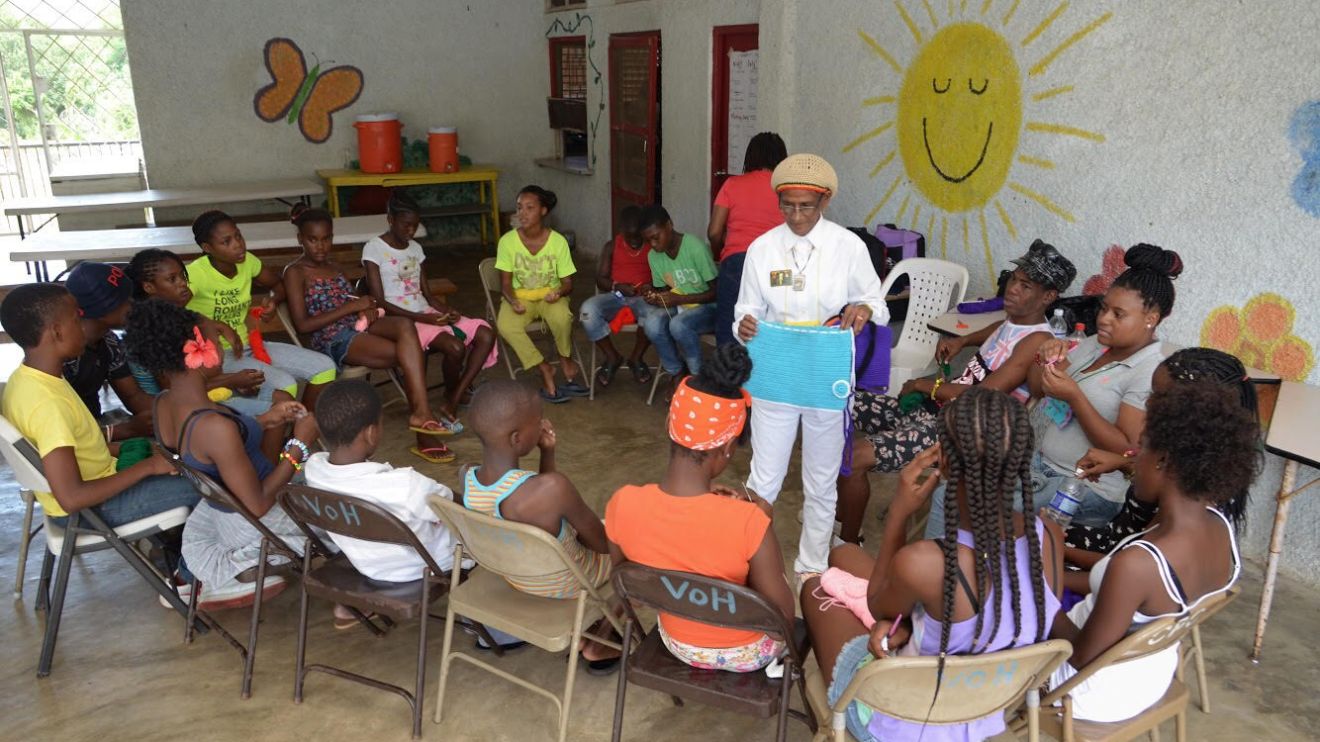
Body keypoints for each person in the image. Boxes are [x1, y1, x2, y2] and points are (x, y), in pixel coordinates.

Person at [802, 387, 1064, 741]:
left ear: (944, 460)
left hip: (901, 718)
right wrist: (908, 623)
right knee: (844, 554)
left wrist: (898, 513)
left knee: (814, 586)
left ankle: (821, 709)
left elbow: (878, 604)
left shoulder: (926, 562)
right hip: (986, 705)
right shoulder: (1046, 536)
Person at [836, 240, 1076, 544]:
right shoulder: (1014, 320)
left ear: (1048, 296)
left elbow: (980, 395)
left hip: (959, 430)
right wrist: (963, 341)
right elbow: (997, 330)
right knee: (841, 402)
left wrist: (925, 384)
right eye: (1014, 278)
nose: (1013, 288)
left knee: (856, 457)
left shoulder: (1036, 340)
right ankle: (841, 509)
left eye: (1025, 285)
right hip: (938, 410)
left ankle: (847, 542)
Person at [1048, 382, 1254, 722]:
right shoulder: (1219, 528)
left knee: (991, 603)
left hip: (1085, 692)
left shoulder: (1140, 562)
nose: (1132, 460)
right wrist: (1062, 560)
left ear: (1161, 461)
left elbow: (1080, 655)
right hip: (1148, 680)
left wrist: (1042, 584)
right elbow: (1122, 589)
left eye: (1139, 450)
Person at [734, 153, 886, 578]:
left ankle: (812, 565)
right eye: (788, 205)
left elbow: (877, 303)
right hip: (776, 366)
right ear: (778, 201)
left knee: (820, 479)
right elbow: (746, 307)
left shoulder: (847, 247)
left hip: (826, 370)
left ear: (825, 202)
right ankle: (745, 559)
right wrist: (743, 324)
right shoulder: (763, 249)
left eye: (807, 206)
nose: (797, 215)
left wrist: (863, 310)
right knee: (764, 476)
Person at [606, 343, 794, 672]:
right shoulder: (748, 520)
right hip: (747, 652)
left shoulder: (622, 503)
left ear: (669, 423)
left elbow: (631, 591)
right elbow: (781, 621)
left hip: (677, 642)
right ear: (727, 447)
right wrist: (758, 514)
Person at [128, 298, 316, 610]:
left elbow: (210, 449)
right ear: (198, 350)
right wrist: (299, 446)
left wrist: (266, 421)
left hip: (221, 510)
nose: (225, 349)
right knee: (347, 489)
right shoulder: (214, 427)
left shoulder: (163, 404)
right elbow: (256, 505)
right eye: (217, 339)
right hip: (254, 522)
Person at [0, 284, 198, 544]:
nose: (83, 325)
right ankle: (201, 569)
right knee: (211, 483)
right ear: (57, 332)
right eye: (76, 318)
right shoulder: (47, 404)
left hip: (98, 491)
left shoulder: (29, 380)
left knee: (194, 465)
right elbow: (72, 497)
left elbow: (81, 451)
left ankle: (177, 553)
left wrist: (144, 451)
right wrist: (148, 466)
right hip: (93, 511)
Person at [283, 204, 460, 464]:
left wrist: (368, 308)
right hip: (332, 338)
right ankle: (424, 430)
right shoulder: (295, 272)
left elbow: (352, 299)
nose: (320, 246)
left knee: (404, 327)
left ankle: (421, 414)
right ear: (301, 239)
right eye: (313, 240)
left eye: (326, 239)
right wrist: (351, 307)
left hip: (359, 324)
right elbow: (303, 326)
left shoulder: (335, 266)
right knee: (410, 354)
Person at [1063, 348, 1256, 585]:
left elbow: (1119, 572)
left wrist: (1055, 550)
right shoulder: (1198, 466)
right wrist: (1126, 464)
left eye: (1160, 395)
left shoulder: (1186, 504)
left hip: (1113, 567)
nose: (1148, 402)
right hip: (1114, 551)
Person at [1024, 244, 1181, 526]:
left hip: (1083, 486)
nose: (1103, 319)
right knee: (958, 489)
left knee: (989, 505)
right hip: (1036, 463)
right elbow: (1039, 390)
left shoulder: (1150, 371)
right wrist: (1043, 358)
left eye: (1118, 314)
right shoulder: (1096, 344)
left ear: (1151, 319)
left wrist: (1076, 398)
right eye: (1104, 308)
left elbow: (1128, 451)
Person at [464, 379, 617, 667]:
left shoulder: (468, 479)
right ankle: (601, 637)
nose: (543, 423)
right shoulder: (553, 489)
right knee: (638, 550)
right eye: (538, 420)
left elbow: (541, 498)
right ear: (516, 438)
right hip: (571, 583)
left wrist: (548, 453)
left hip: (517, 575)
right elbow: (601, 544)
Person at [303, 379, 470, 628]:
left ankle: (358, 603)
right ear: (371, 433)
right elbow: (457, 509)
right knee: (479, 524)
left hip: (366, 563)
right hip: (422, 568)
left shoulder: (313, 469)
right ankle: (482, 613)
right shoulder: (406, 485)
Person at [361, 191, 498, 420]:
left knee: (485, 333)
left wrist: (448, 311)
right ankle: (453, 397)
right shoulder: (374, 249)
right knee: (455, 348)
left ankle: (455, 395)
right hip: (398, 320)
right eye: (405, 225)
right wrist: (426, 319)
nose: (411, 231)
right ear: (390, 219)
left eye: (415, 226)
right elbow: (379, 300)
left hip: (425, 312)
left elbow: (428, 295)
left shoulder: (415, 249)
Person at [185, 209, 337, 413]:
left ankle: (299, 431)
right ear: (207, 247)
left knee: (325, 368)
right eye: (226, 241)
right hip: (218, 357)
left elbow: (278, 285)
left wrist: (273, 301)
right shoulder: (196, 274)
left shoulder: (247, 261)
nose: (238, 244)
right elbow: (165, 311)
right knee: (285, 384)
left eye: (238, 235)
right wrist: (214, 325)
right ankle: (278, 433)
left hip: (250, 345)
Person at [125, 248, 274, 416]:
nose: (183, 283)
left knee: (279, 398)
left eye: (183, 276)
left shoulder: (178, 316)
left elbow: (196, 373)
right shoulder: (155, 329)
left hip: (199, 392)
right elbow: (173, 388)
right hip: (175, 409)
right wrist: (231, 380)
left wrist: (231, 382)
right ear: (149, 287)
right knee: (274, 409)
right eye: (172, 279)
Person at [493, 185, 587, 403]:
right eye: (519, 208)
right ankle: (544, 367)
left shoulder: (557, 242)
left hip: (549, 296)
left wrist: (559, 293)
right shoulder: (508, 241)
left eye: (529, 208)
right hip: (520, 297)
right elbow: (505, 283)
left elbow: (568, 283)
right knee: (506, 326)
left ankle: (565, 358)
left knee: (562, 318)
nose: (522, 213)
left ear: (543, 211)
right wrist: (512, 300)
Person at [708, 132, 787, 346]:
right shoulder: (787, 189)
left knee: (730, 325)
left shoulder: (732, 185)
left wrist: (722, 250)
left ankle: (729, 376)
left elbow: (714, 232)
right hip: (778, 265)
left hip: (737, 261)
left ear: (750, 157)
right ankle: (766, 374)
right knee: (774, 322)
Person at [62, 262, 155, 441]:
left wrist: (179, 409)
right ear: (103, 309)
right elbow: (61, 436)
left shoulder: (109, 342)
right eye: (125, 301)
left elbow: (133, 396)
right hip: (76, 440)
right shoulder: (64, 356)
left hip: (95, 427)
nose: (132, 305)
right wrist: (126, 430)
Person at [637, 204, 719, 399]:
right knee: (652, 323)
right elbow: (665, 289)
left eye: (656, 237)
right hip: (679, 304)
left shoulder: (695, 247)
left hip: (708, 307)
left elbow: (717, 292)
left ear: (669, 225)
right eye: (649, 241)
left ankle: (697, 377)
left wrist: (679, 298)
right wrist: (654, 294)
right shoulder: (653, 256)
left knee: (678, 325)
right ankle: (676, 372)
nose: (654, 245)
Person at [579, 205, 654, 388]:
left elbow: (665, 278)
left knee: (654, 317)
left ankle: (636, 358)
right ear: (621, 231)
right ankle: (612, 357)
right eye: (630, 236)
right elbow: (600, 280)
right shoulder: (612, 246)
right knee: (587, 313)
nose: (635, 241)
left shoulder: (653, 245)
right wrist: (616, 286)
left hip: (644, 298)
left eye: (638, 235)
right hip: (617, 296)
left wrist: (651, 286)